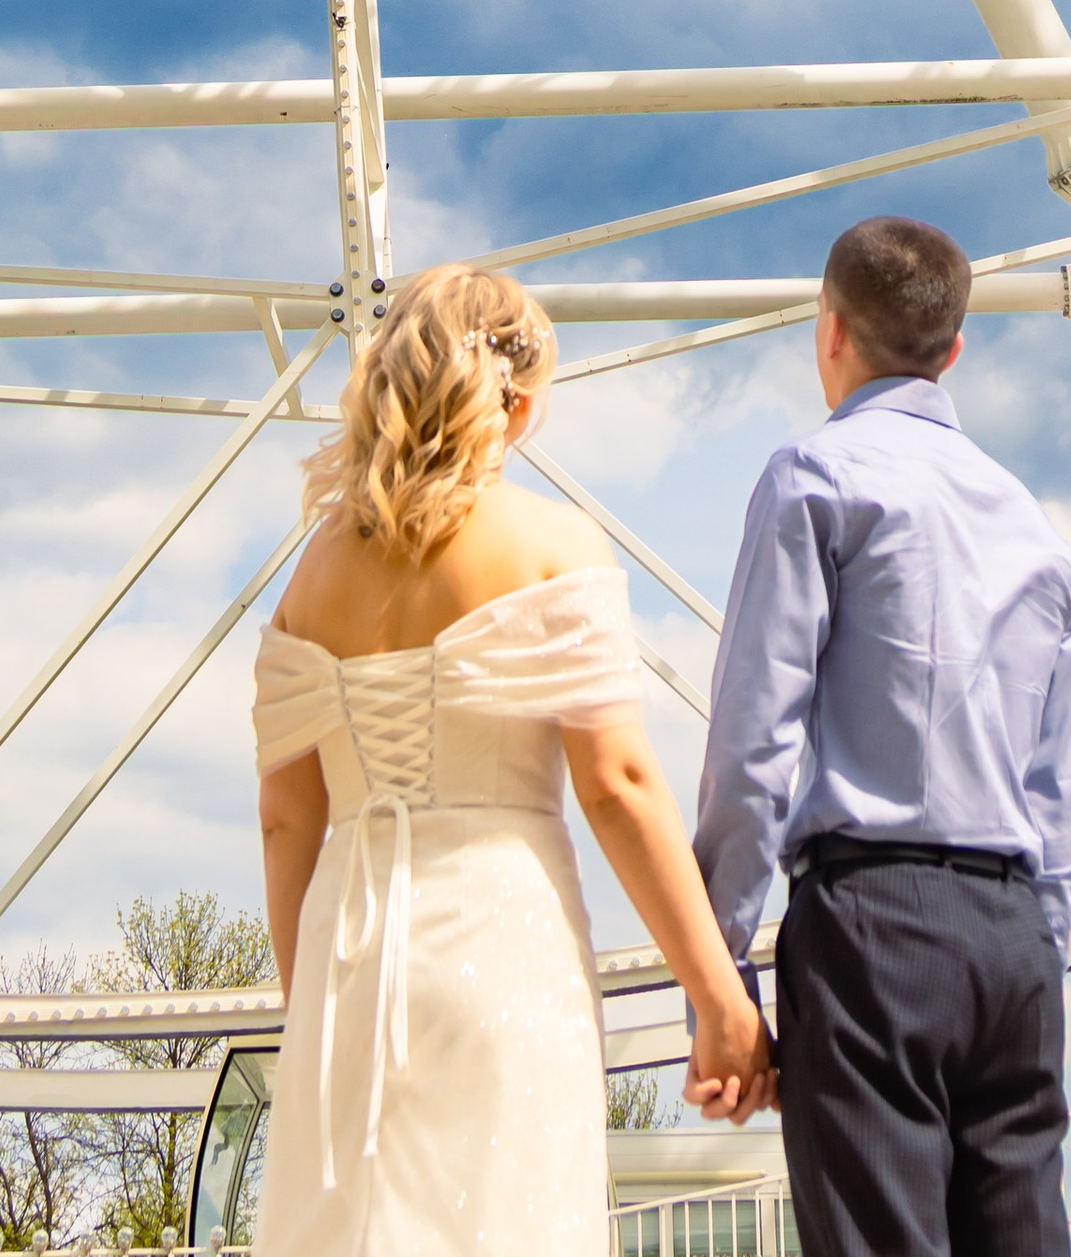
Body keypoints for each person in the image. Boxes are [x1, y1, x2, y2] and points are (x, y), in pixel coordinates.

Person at [249, 262, 769, 1255]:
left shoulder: (305, 578)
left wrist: (307, 1000)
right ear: (516, 406)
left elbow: (286, 819)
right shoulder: (551, 544)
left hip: (345, 956)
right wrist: (716, 996)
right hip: (497, 938)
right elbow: (615, 784)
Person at [694, 215, 1071, 1257]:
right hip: (1014, 943)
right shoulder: (1032, 527)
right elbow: (1056, 789)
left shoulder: (815, 479)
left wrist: (716, 961)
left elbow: (754, 742)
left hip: (872, 924)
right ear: (953, 349)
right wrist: (1039, 946)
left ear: (829, 333)